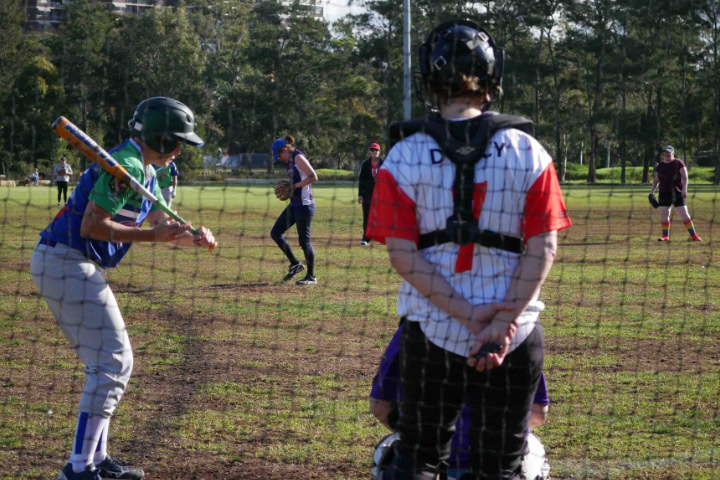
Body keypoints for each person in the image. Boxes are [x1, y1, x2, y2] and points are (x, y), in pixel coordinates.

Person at [366, 20, 572, 480]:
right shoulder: (530, 151)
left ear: (429, 79)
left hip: (434, 331)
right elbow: (545, 248)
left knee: (417, 460)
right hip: (515, 338)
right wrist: (500, 323)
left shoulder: (402, 156)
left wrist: (466, 315)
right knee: (500, 468)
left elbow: (402, 255)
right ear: (492, 78)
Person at [30, 97, 215, 480]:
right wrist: (155, 235)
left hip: (70, 263)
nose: (181, 148)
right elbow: (92, 227)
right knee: (113, 363)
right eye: (177, 140)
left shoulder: (148, 170)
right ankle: (79, 468)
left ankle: (96, 458)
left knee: (110, 364)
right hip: (66, 260)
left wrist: (192, 238)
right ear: (160, 139)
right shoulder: (127, 165)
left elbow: (164, 225)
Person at [369, 322, 551, 480]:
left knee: (391, 453)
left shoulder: (418, 326)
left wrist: (418, 434)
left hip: (429, 462)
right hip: (498, 458)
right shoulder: (517, 333)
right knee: (531, 449)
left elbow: (380, 407)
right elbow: (537, 412)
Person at [270, 135, 318, 285]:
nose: (279, 158)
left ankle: (311, 276)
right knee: (275, 232)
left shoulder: (298, 158)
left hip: (305, 205)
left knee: (304, 241)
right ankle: (295, 264)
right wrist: (288, 185)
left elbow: (313, 176)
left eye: (278, 155)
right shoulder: (288, 162)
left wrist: (295, 186)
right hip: (294, 205)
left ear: (284, 149)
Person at [650, 145, 702, 242]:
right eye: (665, 152)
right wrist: (651, 193)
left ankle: (694, 236)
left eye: (669, 152)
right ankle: (665, 236)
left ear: (673, 153)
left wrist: (684, 190)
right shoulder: (660, 166)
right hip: (664, 194)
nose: (667, 154)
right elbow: (656, 180)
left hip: (677, 193)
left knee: (684, 215)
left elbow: (685, 177)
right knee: (664, 215)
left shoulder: (678, 163)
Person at [358, 142, 384, 245]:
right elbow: (361, 180)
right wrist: (360, 194)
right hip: (367, 195)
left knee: (381, 216)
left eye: (376, 150)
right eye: (372, 150)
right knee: (367, 217)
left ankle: (382, 236)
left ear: (379, 151)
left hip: (381, 195)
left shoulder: (384, 164)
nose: (374, 152)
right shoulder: (365, 164)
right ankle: (366, 238)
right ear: (370, 151)